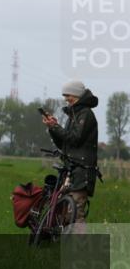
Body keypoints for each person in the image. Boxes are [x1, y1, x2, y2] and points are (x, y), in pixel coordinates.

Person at [42, 80, 100, 223]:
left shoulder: (86, 114)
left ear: (77, 94)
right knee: (63, 213)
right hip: (71, 169)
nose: (66, 99)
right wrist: (52, 128)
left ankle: (80, 245)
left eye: (68, 95)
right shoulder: (73, 115)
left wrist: (56, 127)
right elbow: (64, 144)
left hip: (82, 171)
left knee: (75, 214)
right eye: (64, 95)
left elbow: (75, 139)